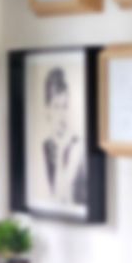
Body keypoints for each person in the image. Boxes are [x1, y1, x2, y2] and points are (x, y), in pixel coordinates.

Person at [40, 66, 87, 207]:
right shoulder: (45, 146)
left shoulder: (77, 144)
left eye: (65, 106)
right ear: (47, 110)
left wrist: (61, 149)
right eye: (56, 106)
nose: (61, 115)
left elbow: (61, 196)